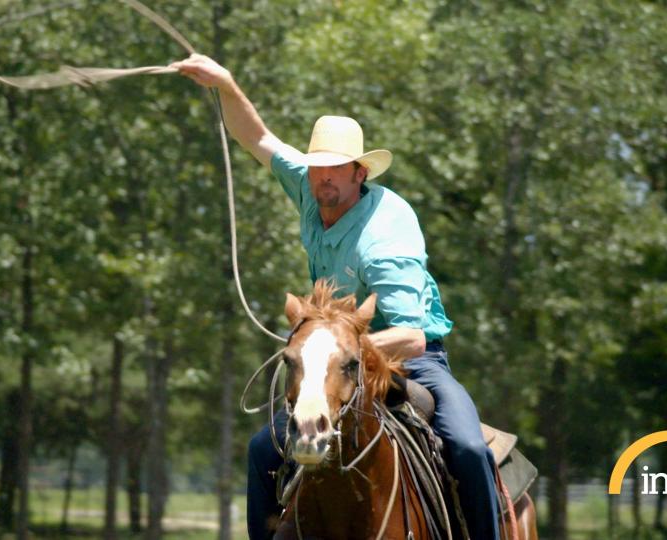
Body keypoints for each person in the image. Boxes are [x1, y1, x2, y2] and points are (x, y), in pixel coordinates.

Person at [171, 53, 500, 540]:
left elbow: (411, 337)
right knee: (263, 450)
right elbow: (256, 138)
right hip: (333, 361)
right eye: (317, 167)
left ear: (358, 173)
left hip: (412, 362)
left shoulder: (385, 239)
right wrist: (223, 82)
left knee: (470, 450)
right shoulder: (308, 186)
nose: (322, 177)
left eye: (335, 169)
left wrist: (341, 352)